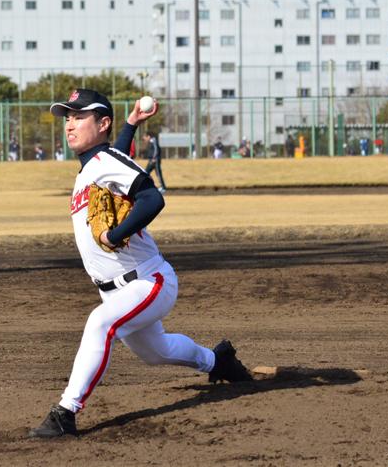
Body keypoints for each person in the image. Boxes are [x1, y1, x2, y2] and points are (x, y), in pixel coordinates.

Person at [29, 88, 252, 439]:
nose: (70, 124)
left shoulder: (103, 163)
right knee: (156, 352)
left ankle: (65, 412)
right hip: (117, 290)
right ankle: (217, 360)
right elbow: (116, 156)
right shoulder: (93, 167)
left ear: (102, 123)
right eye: (67, 117)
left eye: (79, 116)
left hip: (148, 281)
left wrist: (115, 234)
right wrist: (132, 123)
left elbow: (151, 198)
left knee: (99, 324)